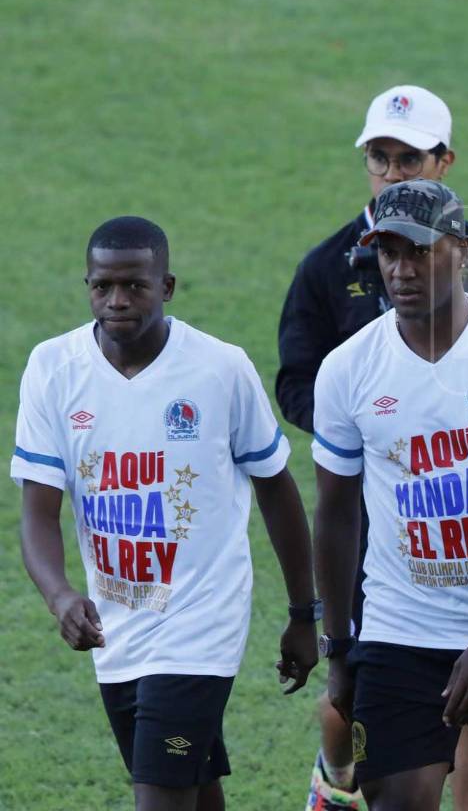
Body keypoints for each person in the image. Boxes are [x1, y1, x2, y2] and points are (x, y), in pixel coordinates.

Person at [13, 216, 318, 811]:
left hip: (201, 624)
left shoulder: (219, 369)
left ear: (167, 286)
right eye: (103, 286)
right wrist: (59, 596)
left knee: (159, 795)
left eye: (135, 286)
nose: (117, 300)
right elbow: (38, 512)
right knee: (196, 789)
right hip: (115, 625)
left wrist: (304, 613)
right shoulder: (53, 369)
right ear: (88, 285)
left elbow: (277, 488)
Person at [279, 85, 468, 811]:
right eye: (380, 157)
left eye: (409, 157)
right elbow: (299, 377)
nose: (393, 171)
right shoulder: (326, 266)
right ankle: (336, 777)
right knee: (349, 695)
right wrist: (368, 437)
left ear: (443, 162)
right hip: (380, 518)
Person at [311, 179, 468, 811]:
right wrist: (339, 648)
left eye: (419, 250)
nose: (400, 269)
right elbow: (335, 517)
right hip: (400, 631)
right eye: (388, 253)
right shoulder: (348, 368)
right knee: (398, 800)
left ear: (464, 251)